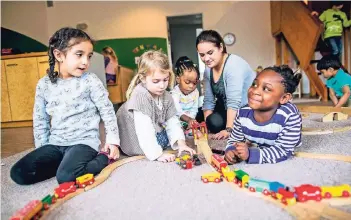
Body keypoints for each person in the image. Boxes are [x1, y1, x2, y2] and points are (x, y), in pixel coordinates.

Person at [10, 27, 120, 185]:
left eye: (89, 56)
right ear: (59, 55)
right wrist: (42, 150)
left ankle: (103, 158)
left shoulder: (90, 81)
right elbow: (40, 119)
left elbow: (107, 111)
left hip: (83, 142)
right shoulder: (44, 84)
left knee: (65, 177)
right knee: (19, 173)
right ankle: (64, 164)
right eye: (79, 55)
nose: (85, 62)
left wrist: (113, 142)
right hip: (55, 143)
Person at [116, 50, 195, 163]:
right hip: (132, 136)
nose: (162, 85)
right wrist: (157, 154)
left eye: (165, 80)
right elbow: (144, 130)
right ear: (143, 78)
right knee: (158, 140)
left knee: (176, 131)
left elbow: (172, 121)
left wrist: (181, 144)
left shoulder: (166, 96)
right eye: (156, 81)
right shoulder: (140, 95)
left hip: (150, 129)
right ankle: (153, 149)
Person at [224, 65, 302, 164]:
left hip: (284, 137)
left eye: (266, 89)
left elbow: (283, 151)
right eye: (254, 84)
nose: (255, 91)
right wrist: (231, 150)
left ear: (283, 98)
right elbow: (234, 139)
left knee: (290, 140)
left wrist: (251, 154)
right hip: (260, 137)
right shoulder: (242, 114)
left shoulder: (290, 117)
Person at [196, 30, 256, 140]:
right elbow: (208, 100)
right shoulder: (208, 70)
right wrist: (207, 126)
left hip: (246, 107)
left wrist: (229, 129)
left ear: (221, 47)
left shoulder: (233, 65)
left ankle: (236, 126)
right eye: (202, 55)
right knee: (201, 116)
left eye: (210, 53)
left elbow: (234, 102)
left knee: (215, 122)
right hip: (225, 105)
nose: (206, 59)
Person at [170, 56, 200, 132]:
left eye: (195, 82)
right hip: (177, 118)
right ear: (178, 79)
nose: (191, 86)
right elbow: (177, 112)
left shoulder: (195, 92)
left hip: (190, 118)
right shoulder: (174, 93)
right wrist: (188, 120)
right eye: (187, 82)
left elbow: (194, 109)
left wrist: (192, 120)